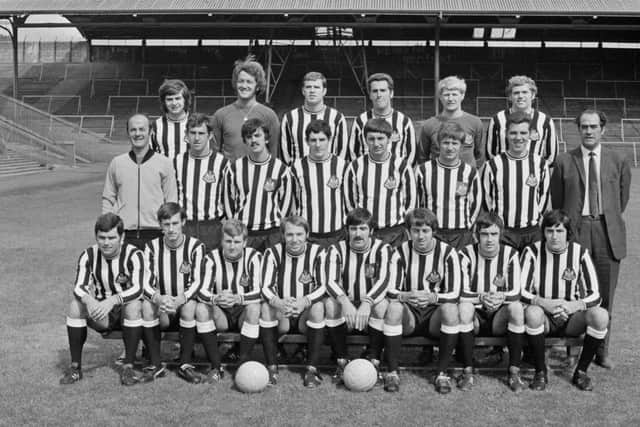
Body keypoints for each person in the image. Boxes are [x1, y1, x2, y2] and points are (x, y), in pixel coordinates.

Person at [551, 109, 631, 369]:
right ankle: (572, 350)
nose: (588, 131)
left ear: (603, 129)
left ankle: (601, 351)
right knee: (574, 290)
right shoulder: (564, 160)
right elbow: (558, 201)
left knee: (605, 296)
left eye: (593, 126)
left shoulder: (618, 159)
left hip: (607, 233)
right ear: (578, 129)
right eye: (584, 126)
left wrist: (604, 217)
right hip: (577, 231)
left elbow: (622, 197)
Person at [522, 209, 609, 391]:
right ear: (543, 232)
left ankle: (581, 372)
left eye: (559, 231)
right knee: (532, 312)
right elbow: (520, 291)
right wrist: (544, 302)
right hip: (544, 317)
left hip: (571, 318)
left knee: (600, 316)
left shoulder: (580, 253)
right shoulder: (531, 252)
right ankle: (540, 372)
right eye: (550, 231)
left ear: (568, 233)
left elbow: (595, 295)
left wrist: (572, 306)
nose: (554, 236)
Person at [60, 213, 149, 386]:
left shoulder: (134, 254)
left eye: (111, 237)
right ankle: (76, 368)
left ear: (121, 237)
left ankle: (128, 367)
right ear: (96, 236)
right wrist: (90, 301)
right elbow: (79, 287)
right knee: (75, 307)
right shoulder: (88, 255)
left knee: (134, 306)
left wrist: (113, 300)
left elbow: (139, 289)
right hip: (102, 311)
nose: (106, 242)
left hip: (125, 309)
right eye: (102, 237)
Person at [383, 208, 461, 394]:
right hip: (409, 314)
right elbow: (390, 290)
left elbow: (455, 293)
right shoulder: (399, 252)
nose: (420, 236)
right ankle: (392, 372)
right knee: (393, 308)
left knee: (451, 310)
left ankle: (441, 373)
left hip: (435, 314)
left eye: (425, 231)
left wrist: (433, 297)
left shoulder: (448, 253)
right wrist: (407, 295)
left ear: (434, 231)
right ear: (408, 232)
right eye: (415, 231)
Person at [324, 208, 395, 383]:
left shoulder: (383, 249)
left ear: (371, 231)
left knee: (382, 305)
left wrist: (367, 303)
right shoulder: (336, 249)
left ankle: (374, 360)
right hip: (346, 308)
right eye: (353, 229)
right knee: (330, 304)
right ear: (347, 231)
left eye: (363, 228)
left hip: (369, 307)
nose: (358, 233)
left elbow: (385, 280)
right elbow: (329, 281)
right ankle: (341, 361)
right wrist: (345, 302)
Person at [458, 212, 525, 392]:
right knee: (464, 308)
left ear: (500, 235)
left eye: (494, 234)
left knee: (517, 308)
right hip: (475, 316)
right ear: (476, 235)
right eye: (484, 234)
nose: (489, 239)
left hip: (499, 317)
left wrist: (500, 297)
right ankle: (467, 371)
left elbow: (516, 292)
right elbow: (460, 292)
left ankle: (514, 372)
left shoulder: (510, 254)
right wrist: (482, 297)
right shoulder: (465, 254)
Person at [141, 203, 207, 383]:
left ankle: (185, 364)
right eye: (166, 224)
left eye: (175, 223)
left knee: (191, 304)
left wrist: (180, 299)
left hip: (182, 303)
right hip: (162, 307)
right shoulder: (151, 247)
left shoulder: (196, 246)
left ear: (183, 222)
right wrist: (158, 298)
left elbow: (198, 281)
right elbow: (145, 281)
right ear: (160, 225)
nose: (171, 229)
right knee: (147, 306)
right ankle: (156, 364)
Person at [260, 215, 327, 387]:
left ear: (307, 234)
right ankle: (271, 368)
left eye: (299, 234)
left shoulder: (318, 252)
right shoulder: (272, 252)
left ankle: (312, 370)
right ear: (283, 235)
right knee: (266, 308)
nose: (295, 239)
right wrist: (279, 302)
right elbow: (265, 286)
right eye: (290, 235)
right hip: (282, 313)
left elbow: (323, 286)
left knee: (318, 307)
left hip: (305, 313)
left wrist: (304, 301)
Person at [195, 219, 263, 382]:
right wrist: (216, 298)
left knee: (254, 308)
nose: (232, 246)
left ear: (245, 242)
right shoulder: (211, 258)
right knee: (201, 309)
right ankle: (216, 367)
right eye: (228, 241)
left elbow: (261, 292)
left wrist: (238, 298)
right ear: (221, 240)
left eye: (237, 241)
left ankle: (242, 364)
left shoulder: (255, 257)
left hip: (242, 311)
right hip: (221, 313)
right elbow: (201, 291)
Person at [102, 113, 177, 250]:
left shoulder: (164, 163)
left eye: (142, 129)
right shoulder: (117, 163)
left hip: (155, 233)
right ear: (128, 133)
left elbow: (171, 201)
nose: (137, 134)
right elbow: (108, 198)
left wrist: (168, 229)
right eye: (133, 130)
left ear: (150, 132)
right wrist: (108, 226)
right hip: (124, 234)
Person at [482, 111, 550, 252]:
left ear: (530, 134)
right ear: (506, 133)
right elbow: (487, 199)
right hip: (504, 232)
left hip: (532, 232)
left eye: (523, 133)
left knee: (531, 273)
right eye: (513, 133)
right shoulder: (493, 165)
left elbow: (543, 197)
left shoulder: (540, 164)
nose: (518, 138)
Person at [222, 118, 292, 252]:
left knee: (271, 271)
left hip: (272, 233)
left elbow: (286, 205)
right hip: (244, 233)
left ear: (266, 139)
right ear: (245, 141)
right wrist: (236, 227)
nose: (253, 140)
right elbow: (228, 201)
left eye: (257, 135)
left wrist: (276, 225)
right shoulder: (234, 168)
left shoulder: (281, 169)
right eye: (249, 137)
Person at [344, 118, 416, 247]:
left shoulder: (401, 165)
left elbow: (410, 201)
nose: (376, 143)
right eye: (371, 139)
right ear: (365, 140)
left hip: (395, 233)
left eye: (380, 138)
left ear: (389, 139)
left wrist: (403, 224)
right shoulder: (355, 166)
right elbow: (350, 202)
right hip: (367, 233)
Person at [415, 121, 481, 250]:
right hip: (433, 233)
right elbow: (418, 202)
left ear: (461, 146)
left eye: (455, 143)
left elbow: (475, 203)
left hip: (461, 233)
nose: (450, 148)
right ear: (439, 144)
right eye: (446, 143)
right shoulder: (424, 170)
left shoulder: (470, 172)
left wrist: (468, 225)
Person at [174, 113, 228, 251]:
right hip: (185, 225)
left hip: (212, 227)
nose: (197, 138)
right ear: (186, 134)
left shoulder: (222, 163)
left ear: (209, 135)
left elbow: (229, 197)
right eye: (193, 133)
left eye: (201, 133)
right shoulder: (176, 162)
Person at [290, 119, 348, 248]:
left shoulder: (342, 165)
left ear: (329, 140)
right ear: (306, 141)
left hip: (337, 234)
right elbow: (291, 203)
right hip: (308, 236)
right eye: (313, 140)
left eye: (322, 140)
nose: (317, 144)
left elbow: (350, 202)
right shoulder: (296, 167)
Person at [211, 55, 280, 161]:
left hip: (260, 174)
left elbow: (274, 154)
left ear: (257, 86)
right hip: (231, 175)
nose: (244, 85)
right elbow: (214, 155)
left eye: (249, 82)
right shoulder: (220, 115)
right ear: (235, 83)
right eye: (241, 81)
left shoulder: (269, 116)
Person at [486, 75, 558, 166]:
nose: (520, 96)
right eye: (516, 93)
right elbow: (490, 153)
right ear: (510, 97)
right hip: (504, 175)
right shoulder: (497, 119)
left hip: (533, 177)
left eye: (525, 92)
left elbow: (551, 156)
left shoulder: (545, 121)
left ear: (533, 95)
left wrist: (537, 170)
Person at [280, 71, 349, 163]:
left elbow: (342, 153)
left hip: (329, 175)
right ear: (303, 91)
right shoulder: (290, 118)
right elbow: (285, 153)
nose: (312, 91)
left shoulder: (337, 118)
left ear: (324, 91)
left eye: (316, 87)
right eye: (308, 87)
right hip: (298, 175)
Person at [417, 76, 485, 169]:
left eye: (454, 94)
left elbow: (480, 155)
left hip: (465, 180)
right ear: (440, 97)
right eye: (446, 94)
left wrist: (470, 173)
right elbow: (422, 157)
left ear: (462, 96)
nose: (450, 98)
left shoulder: (475, 123)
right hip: (438, 178)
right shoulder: (429, 124)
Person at [348, 73, 416, 165]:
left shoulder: (404, 121)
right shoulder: (360, 121)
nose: (379, 95)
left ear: (391, 93)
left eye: (383, 90)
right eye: (375, 91)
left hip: (396, 176)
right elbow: (353, 153)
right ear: (370, 95)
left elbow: (412, 154)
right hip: (367, 176)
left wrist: (401, 173)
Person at [150, 79, 191, 159]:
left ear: (185, 100)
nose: (174, 103)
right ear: (163, 102)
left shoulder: (198, 124)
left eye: (178, 98)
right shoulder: (155, 126)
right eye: (169, 99)